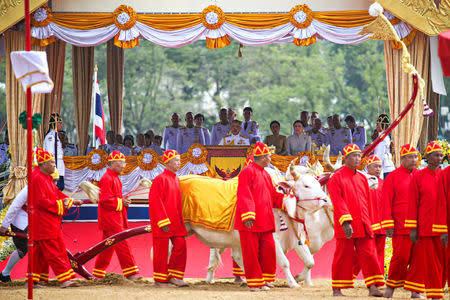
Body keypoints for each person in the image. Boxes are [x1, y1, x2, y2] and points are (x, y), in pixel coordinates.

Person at [327, 143, 384, 297]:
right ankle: (337, 289)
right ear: (346, 158)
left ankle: (372, 287)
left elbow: (367, 203)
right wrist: (345, 222)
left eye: (359, 155)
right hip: (347, 224)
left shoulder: (362, 178)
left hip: (364, 224)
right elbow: (338, 202)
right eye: (354, 155)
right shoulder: (336, 178)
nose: (358, 158)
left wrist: (370, 222)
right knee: (342, 255)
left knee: (369, 255)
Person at [235, 142, 287, 291]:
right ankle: (254, 282)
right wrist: (248, 215)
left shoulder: (265, 173)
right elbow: (244, 194)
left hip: (265, 220)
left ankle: (265, 279)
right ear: (263, 158)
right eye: (269, 156)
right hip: (250, 220)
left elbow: (272, 195)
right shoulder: (247, 171)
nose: (271, 159)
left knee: (268, 249)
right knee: (251, 252)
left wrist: (287, 199)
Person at [30, 148, 82, 288]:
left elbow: (56, 194)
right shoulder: (37, 179)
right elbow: (42, 202)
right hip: (44, 222)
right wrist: (62, 204)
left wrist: (70, 200)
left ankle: (33, 281)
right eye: (52, 162)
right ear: (43, 164)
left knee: (40, 253)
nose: (55, 165)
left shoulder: (44, 178)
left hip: (47, 221)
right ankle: (64, 280)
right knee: (54, 250)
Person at [0, 169, 61, 283]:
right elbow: (14, 206)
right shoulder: (30, 188)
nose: (55, 184)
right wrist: (4, 226)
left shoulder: (49, 188)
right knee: (23, 249)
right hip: (21, 221)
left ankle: (38, 277)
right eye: (53, 181)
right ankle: (5, 273)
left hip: (35, 221)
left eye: (56, 181)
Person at [404, 141, 447, 299]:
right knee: (426, 261)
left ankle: (437, 291)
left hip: (442, 227)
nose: (439, 158)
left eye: (441, 155)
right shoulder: (418, 176)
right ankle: (426, 293)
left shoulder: (444, 175)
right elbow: (412, 202)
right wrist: (413, 228)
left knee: (441, 262)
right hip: (425, 227)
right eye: (436, 155)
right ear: (428, 157)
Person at [93, 150, 140, 280]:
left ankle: (98, 272)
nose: (124, 166)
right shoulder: (107, 178)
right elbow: (105, 200)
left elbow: (112, 199)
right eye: (122, 163)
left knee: (108, 246)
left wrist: (123, 201)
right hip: (111, 218)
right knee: (122, 243)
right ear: (113, 163)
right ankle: (130, 272)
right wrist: (121, 202)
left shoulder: (114, 178)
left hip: (113, 218)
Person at [381, 144, 420, 298]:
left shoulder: (420, 175)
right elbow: (385, 202)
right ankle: (390, 287)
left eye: (415, 157)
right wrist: (388, 224)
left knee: (418, 259)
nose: (414, 160)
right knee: (400, 257)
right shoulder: (392, 176)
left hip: (419, 227)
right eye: (410, 157)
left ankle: (415, 291)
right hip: (400, 226)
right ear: (402, 159)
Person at [148, 149, 188, 287]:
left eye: (179, 160)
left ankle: (175, 275)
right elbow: (155, 201)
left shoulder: (176, 178)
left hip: (176, 221)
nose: (179, 163)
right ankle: (159, 280)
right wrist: (162, 220)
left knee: (181, 245)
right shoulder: (160, 179)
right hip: (163, 221)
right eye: (176, 160)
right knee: (161, 251)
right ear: (168, 162)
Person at [355, 155, 385, 275]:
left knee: (380, 252)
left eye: (380, 167)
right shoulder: (363, 183)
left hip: (381, 224)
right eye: (375, 166)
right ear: (368, 167)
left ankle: (379, 277)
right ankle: (350, 276)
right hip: (368, 223)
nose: (378, 169)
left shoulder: (384, 183)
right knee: (363, 252)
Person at [44, 113, 65, 190]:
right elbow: (50, 153)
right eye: (60, 123)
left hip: (59, 166)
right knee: (58, 187)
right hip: (56, 167)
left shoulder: (56, 136)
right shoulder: (51, 137)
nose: (61, 125)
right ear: (55, 124)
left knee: (60, 187)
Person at [373, 114, 395, 178]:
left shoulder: (382, 138)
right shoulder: (385, 136)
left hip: (385, 169)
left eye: (378, 124)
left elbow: (379, 155)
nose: (376, 126)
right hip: (387, 167)